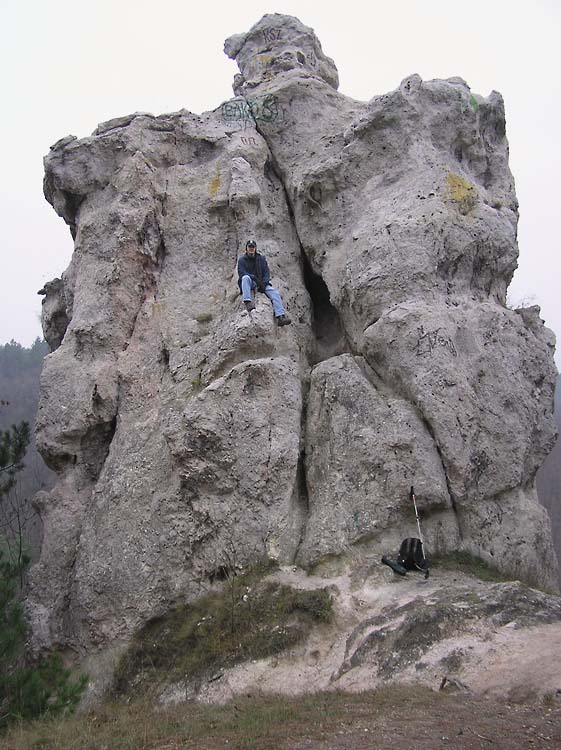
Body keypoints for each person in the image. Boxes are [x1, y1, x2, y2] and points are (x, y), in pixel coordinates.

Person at [237, 239, 292, 326]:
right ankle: (247, 302)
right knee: (245, 278)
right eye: (249, 247)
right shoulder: (242, 260)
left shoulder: (261, 259)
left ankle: (280, 316)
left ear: (255, 248)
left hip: (261, 283)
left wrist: (264, 283)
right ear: (246, 248)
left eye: (253, 247)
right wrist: (253, 278)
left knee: (274, 293)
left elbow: (266, 272)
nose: (251, 249)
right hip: (250, 282)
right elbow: (241, 272)